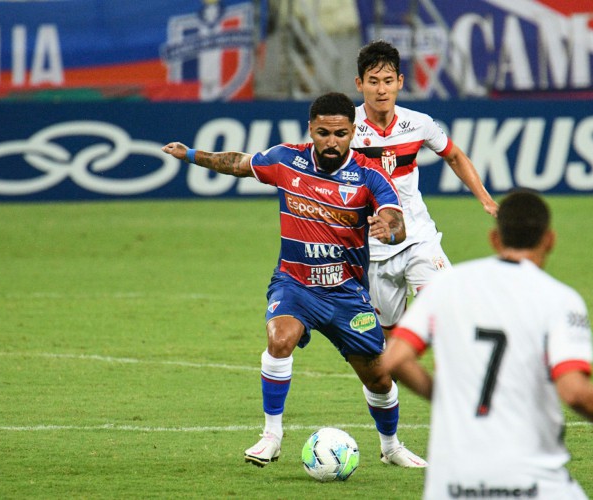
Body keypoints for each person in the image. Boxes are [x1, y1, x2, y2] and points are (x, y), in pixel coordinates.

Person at [162, 92, 427, 468]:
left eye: (339, 133)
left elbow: (394, 219)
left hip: (346, 293)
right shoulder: (287, 159)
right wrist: (192, 154)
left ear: (353, 131)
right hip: (295, 283)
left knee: (379, 378)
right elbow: (238, 162)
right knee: (279, 338)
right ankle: (271, 435)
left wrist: (391, 229)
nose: (331, 141)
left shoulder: (369, 176)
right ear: (311, 130)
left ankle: (391, 446)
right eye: (323, 133)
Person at [380, 190, 593, 499]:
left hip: (452, 483)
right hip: (532, 481)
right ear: (550, 240)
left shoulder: (446, 286)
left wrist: (443, 397)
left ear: (495, 238)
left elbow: (395, 359)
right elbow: (574, 391)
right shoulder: (560, 299)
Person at [351, 40, 498, 337]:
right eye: (374, 81)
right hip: (374, 250)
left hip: (419, 238)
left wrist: (486, 200)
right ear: (359, 84)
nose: (381, 90)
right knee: (389, 339)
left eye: (388, 81)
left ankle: (460, 379)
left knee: (451, 308)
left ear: (400, 82)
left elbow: (454, 155)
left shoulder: (419, 124)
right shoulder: (347, 129)